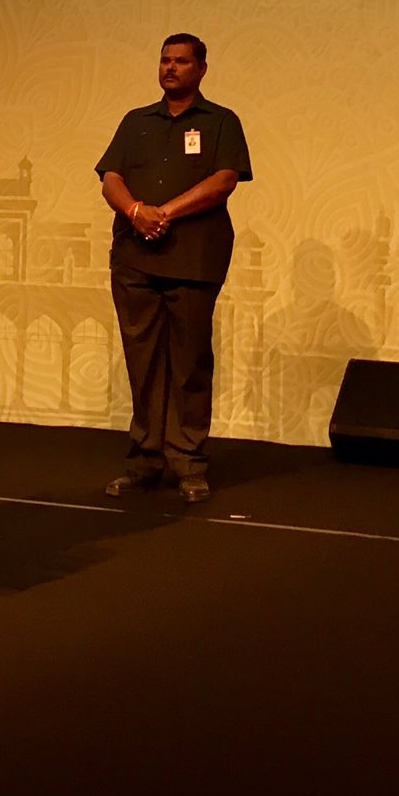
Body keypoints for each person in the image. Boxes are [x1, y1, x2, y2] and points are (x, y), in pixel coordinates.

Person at [94, 34, 251, 502]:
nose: (170, 68)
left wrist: (164, 213)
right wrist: (135, 211)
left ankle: (188, 462)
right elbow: (111, 178)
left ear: (201, 69)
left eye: (181, 61)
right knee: (142, 363)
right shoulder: (136, 121)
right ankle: (144, 461)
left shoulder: (221, 121)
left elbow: (224, 181)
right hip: (135, 258)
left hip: (194, 258)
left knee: (189, 364)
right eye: (165, 60)